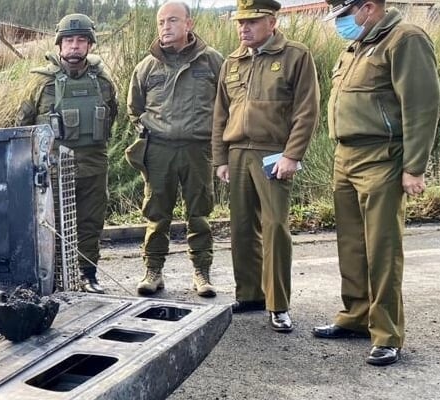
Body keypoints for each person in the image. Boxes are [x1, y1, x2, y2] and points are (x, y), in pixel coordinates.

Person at [312, 0, 440, 366]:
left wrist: (414, 167)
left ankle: (387, 334)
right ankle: (355, 316)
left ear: (368, 8)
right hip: (346, 156)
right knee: (351, 244)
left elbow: (421, 105)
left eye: (343, 15)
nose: (339, 24)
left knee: (382, 248)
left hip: (382, 157)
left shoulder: (405, 39)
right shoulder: (357, 45)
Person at [211, 0, 319, 332]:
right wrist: (220, 158)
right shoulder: (233, 61)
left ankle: (278, 304)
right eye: (240, 22)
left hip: (274, 154)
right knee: (242, 228)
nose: (244, 28)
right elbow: (220, 115)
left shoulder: (295, 56)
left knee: (274, 228)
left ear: (272, 22)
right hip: (239, 152)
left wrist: (293, 155)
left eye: (252, 21)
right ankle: (250, 294)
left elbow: (307, 111)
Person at [127, 1, 224, 298]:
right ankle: (153, 271)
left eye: (172, 20)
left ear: (189, 24)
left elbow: (226, 104)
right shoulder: (146, 66)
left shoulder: (212, 62)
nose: (165, 27)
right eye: (161, 22)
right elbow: (135, 108)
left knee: (200, 214)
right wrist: (151, 131)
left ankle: (202, 272)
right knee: (157, 214)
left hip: (198, 150)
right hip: (159, 152)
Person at [17, 13, 119, 293]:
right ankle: (57, 279)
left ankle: (88, 275)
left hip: (94, 166)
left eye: (81, 40)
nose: (75, 46)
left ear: (90, 45)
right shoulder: (40, 84)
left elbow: (112, 117)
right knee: (53, 226)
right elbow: (22, 127)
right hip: (53, 168)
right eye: (69, 40)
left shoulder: (104, 83)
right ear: (59, 45)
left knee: (90, 223)